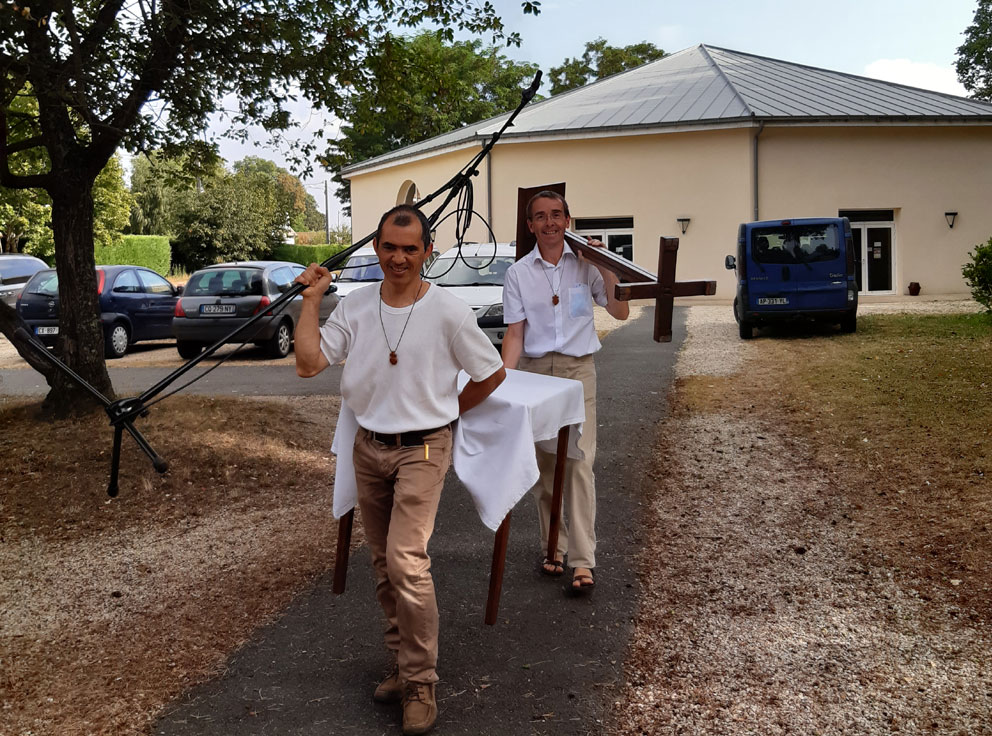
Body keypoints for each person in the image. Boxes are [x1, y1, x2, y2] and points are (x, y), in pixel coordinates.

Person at [295, 204, 505, 735]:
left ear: (427, 252)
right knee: (383, 565)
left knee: (407, 560)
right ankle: (401, 660)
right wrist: (311, 301)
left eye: (410, 248)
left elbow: (492, 373)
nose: (399, 257)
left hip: (424, 451)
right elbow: (308, 363)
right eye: (390, 246)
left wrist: (447, 412)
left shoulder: (449, 312)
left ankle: (421, 682)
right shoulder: (358, 307)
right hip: (369, 447)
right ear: (376, 248)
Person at [501, 190, 629, 595]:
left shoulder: (586, 266)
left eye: (557, 215)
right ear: (530, 226)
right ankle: (552, 547)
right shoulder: (518, 273)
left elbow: (620, 311)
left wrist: (605, 266)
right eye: (541, 217)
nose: (550, 223)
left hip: (577, 373)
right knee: (545, 468)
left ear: (568, 221)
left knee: (578, 463)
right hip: (537, 374)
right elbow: (516, 333)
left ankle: (582, 560)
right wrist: (504, 384)